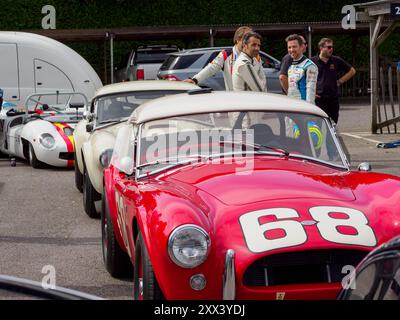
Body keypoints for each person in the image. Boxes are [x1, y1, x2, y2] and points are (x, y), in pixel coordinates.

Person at [183, 26, 252, 90]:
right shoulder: (226, 54)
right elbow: (211, 68)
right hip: (234, 98)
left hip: (251, 98)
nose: (249, 43)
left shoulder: (253, 55)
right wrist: (195, 80)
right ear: (237, 39)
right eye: (246, 40)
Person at [311, 38, 356, 123]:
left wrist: (340, 81)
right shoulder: (312, 61)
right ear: (321, 48)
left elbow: (352, 71)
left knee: (333, 123)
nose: (331, 49)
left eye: (332, 47)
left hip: (333, 98)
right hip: (319, 99)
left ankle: (331, 136)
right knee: (318, 123)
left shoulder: (336, 60)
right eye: (328, 47)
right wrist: (310, 92)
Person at [286, 34, 318, 104]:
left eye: (294, 47)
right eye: (289, 47)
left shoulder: (309, 66)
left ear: (301, 47)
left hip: (303, 108)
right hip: (292, 106)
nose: (291, 50)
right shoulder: (291, 67)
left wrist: (309, 111)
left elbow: (311, 91)